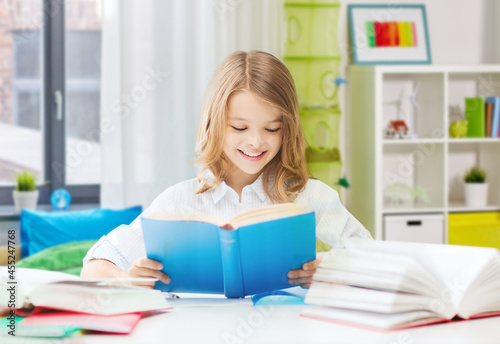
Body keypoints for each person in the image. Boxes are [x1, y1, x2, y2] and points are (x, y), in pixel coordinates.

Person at [81, 50, 372, 289]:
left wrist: (334, 269)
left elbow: (375, 257)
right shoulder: (180, 200)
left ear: (288, 130)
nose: (256, 141)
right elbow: (96, 265)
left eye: (272, 128)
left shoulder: (308, 195)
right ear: (215, 123)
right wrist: (127, 281)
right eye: (239, 127)